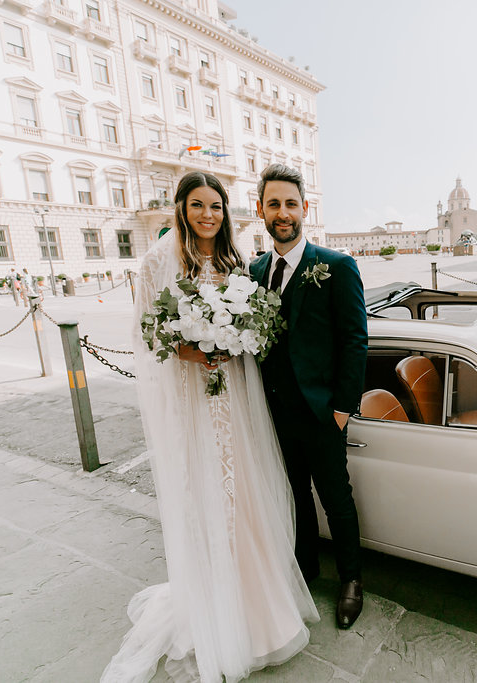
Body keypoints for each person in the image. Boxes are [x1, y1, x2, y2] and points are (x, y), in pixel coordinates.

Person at [103, 172, 318, 683]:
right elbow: (148, 334)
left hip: (235, 398)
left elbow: (254, 321)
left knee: (244, 493)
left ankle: (260, 605)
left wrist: (236, 337)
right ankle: (218, 611)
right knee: (208, 496)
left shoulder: (233, 260)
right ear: (181, 208)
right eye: (198, 205)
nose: (208, 215)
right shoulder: (157, 261)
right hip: (194, 399)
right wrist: (191, 348)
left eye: (216, 206)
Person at [248, 164, 368, 630]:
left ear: (304, 210)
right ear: (261, 210)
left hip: (322, 413)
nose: (283, 213)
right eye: (274, 204)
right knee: (293, 492)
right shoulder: (256, 269)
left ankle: (352, 580)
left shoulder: (337, 267)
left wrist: (341, 410)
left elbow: (355, 340)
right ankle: (306, 567)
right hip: (274, 411)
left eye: (291, 204)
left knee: (336, 497)